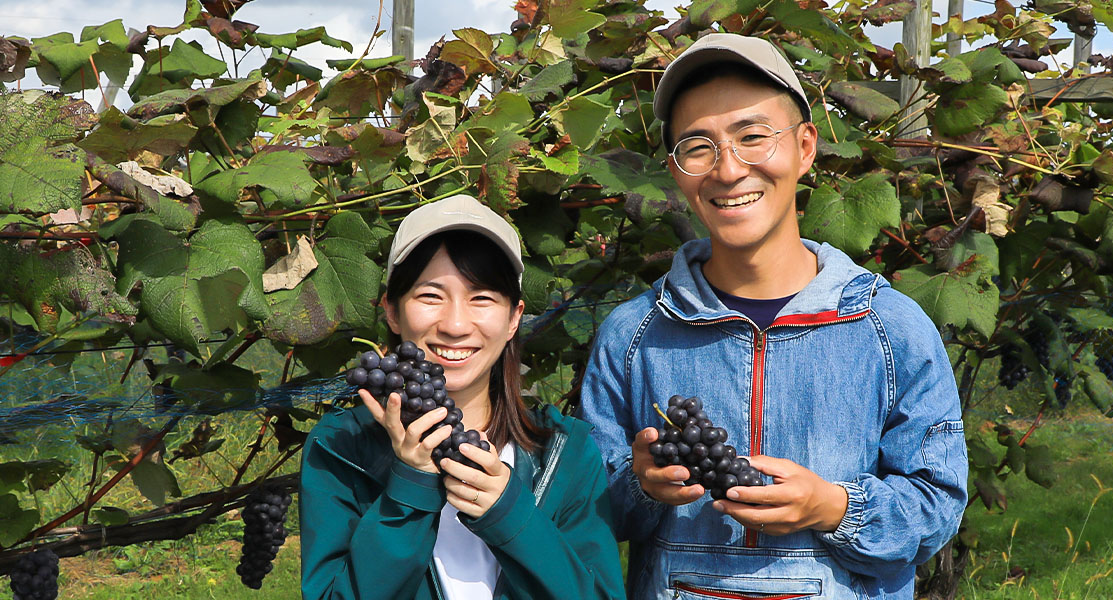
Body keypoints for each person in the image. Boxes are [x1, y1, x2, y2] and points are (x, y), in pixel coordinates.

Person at [580, 33, 968, 599]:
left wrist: (833, 507)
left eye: (752, 137)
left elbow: (938, 507)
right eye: (698, 147)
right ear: (675, 169)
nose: (727, 170)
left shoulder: (890, 330)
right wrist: (640, 485)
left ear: (805, 147)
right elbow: (592, 511)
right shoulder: (633, 335)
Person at [300, 194, 625, 600]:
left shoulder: (566, 452)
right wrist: (411, 487)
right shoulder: (340, 447)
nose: (455, 325)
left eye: (482, 298)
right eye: (431, 296)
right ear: (392, 312)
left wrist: (512, 516)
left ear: (514, 318)